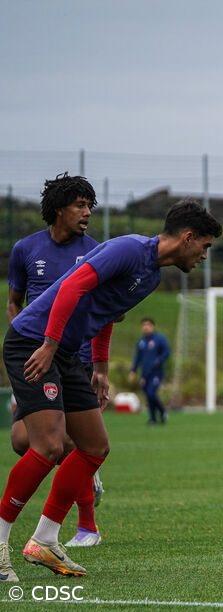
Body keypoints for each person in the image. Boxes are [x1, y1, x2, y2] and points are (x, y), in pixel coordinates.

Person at [1, 198, 219, 580]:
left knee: (94, 447)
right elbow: (71, 288)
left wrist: (100, 367)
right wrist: (50, 344)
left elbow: (105, 316)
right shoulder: (129, 248)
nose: (204, 255)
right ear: (187, 237)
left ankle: (45, 540)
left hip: (66, 353)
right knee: (47, 445)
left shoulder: (151, 275)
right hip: (33, 341)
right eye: (205, 246)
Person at [4, 173, 103, 549]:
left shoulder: (95, 252)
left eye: (90, 205)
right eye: (80, 205)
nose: (87, 212)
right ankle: (84, 470)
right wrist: (21, 339)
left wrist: (98, 365)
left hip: (73, 360)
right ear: (59, 209)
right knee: (21, 441)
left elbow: (103, 312)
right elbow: (15, 301)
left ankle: (87, 526)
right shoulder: (25, 250)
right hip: (35, 358)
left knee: (58, 443)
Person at [130, 318, 170, 425]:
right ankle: (153, 419)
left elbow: (166, 352)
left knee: (151, 393)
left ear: (152, 326)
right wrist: (133, 370)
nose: (145, 327)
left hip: (156, 373)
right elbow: (137, 357)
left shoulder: (159, 339)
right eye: (143, 325)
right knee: (148, 395)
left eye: (148, 325)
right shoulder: (141, 342)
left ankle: (162, 411)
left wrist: (158, 361)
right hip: (144, 374)